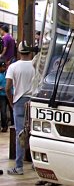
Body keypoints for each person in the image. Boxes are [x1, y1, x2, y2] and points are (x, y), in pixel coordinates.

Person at [6, 42, 35, 175]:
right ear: (31, 52)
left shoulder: (13, 66)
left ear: (19, 52)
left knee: (20, 134)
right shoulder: (36, 66)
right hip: (33, 102)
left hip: (19, 101)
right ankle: (37, 164)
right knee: (34, 133)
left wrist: (12, 102)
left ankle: (19, 167)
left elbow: (7, 87)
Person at [0, 59, 8, 132]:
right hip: (1, 95)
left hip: (9, 94)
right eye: (2, 67)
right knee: (3, 111)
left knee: (12, 111)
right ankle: (4, 125)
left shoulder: (7, 74)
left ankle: (11, 124)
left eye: (4, 67)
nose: (3, 68)